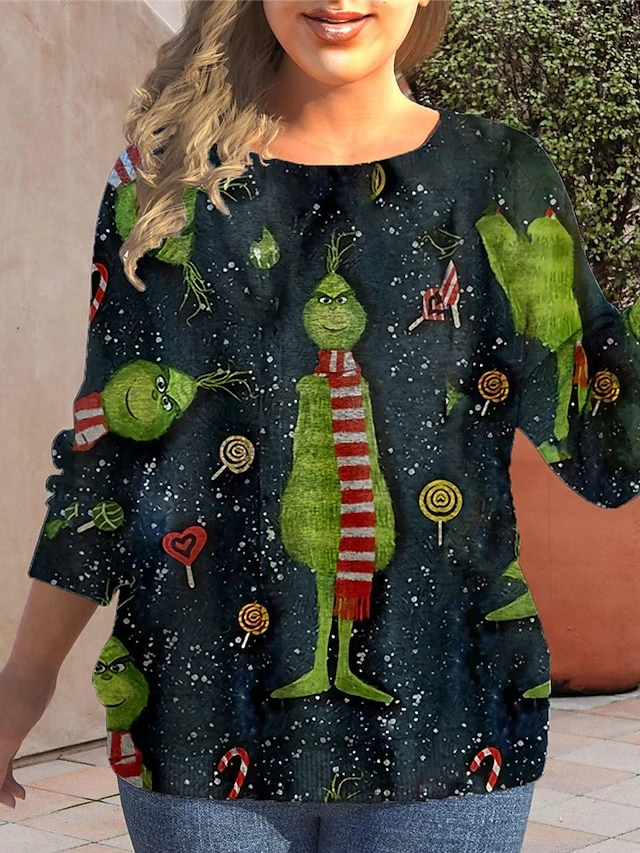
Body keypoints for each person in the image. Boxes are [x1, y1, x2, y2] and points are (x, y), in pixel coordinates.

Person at [2, 1, 639, 851]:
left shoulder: (499, 177)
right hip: (197, 737)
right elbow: (108, 452)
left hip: (451, 740)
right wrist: (25, 677)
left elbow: (606, 446)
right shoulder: (164, 181)